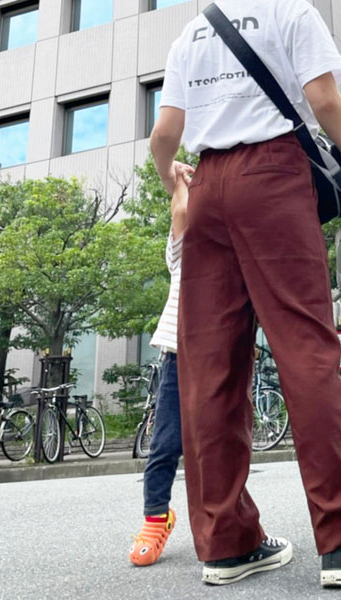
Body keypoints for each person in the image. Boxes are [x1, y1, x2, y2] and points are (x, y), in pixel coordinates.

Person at [149, 0, 341, 588]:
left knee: (209, 368)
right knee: (307, 349)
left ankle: (226, 545)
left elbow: (164, 134)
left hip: (206, 187)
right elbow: (324, 100)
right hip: (272, 176)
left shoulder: (190, 34)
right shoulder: (288, 12)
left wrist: (170, 174)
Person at [129, 163, 193, 567]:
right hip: (177, 354)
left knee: (220, 444)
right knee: (166, 443)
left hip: (222, 356)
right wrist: (183, 182)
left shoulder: (235, 254)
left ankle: (225, 520)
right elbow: (182, 213)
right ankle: (156, 518)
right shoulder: (181, 253)